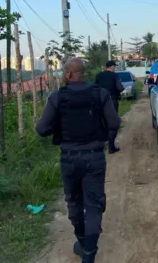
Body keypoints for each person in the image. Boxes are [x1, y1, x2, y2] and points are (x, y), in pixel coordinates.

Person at [36, 58, 121, 263]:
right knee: (93, 204)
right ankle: (88, 252)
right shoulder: (100, 94)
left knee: (74, 202)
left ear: (68, 74)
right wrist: (104, 138)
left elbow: (42, 129)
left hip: (69, 158)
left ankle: (83, 242)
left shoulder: (57, 98)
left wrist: (60, 126)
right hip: (94, 156)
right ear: (84, 73)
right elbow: (114, 122)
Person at [94, 60, 124, 154]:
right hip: (112, 101)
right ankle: (111, 147)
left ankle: (101, 146)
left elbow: (95, 87)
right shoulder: (115, 75)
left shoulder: (99, 75)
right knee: (113, 123)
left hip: (99, 102)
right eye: (114, 66)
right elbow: (120, 88)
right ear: (111, 66)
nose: (114, 68)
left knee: (102, 122)